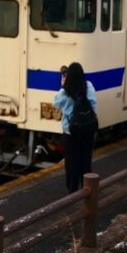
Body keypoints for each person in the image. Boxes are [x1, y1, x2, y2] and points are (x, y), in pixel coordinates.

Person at [52, 62, 98, 194]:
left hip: (70, 132)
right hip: (87, 131)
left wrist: (63, 85)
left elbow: (56, 103)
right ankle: (87, 190)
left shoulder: (64, 92)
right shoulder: (88, 86)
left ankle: (72, 191)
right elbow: (94, 105)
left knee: (71, 164)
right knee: (85, 160)